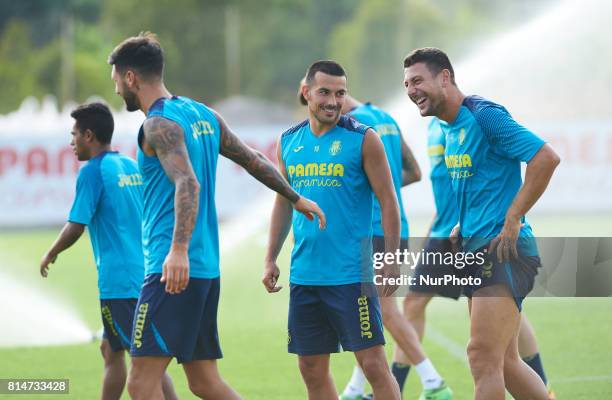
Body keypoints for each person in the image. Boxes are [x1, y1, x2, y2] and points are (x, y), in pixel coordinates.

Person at [107, 33, 325, 400]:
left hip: (172, 272)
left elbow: (187, 184)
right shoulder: (202, 113)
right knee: (204, 382)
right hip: (205, 270)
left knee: (141, 382)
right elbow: (252, 158)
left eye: (116, 80)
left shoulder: (158, 125)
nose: (115, 89)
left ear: (130, 77)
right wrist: (295, 196)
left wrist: (177, 251)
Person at [403, 47, 560, 400]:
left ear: (444, 77)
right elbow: (480, 183)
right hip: (475, 248)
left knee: (481, 356)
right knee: (505, 361)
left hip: (503, 250)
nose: (411, 90)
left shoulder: (483, 114)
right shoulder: (449, 128)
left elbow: (545, 158)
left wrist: (514, 216)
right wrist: (464, 224)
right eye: (407, 84)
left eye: (418, 80)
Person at [296, 84, 452, 400]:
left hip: (371, 230)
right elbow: (413, 172)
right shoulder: (385, 117)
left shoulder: (352, 127)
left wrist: (357, 194)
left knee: (383, 310)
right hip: (396, 227)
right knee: (367, 315)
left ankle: (434, 382)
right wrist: (380, 189)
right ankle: (355, 389)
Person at [263, 60, 401, 400]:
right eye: (324, 92)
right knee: (310, 367)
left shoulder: (364, 139)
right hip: (305, 276)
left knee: (373, 366)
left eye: (340, 93)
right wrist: (270, 258)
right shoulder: (288, 142)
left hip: (352, 275)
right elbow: (283, 202)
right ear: (306, 92)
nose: (333, 101)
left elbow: (388, 202)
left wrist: (391, 260)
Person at [39, 102, 177, 400]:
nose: (71, 141)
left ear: (89, 135)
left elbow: (76, 225)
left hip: (120, 283)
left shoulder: (93, 172)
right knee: (111, 350)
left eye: (73, 134)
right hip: (144, 272)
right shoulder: (129, 165)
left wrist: (51, 251)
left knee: (145, 362)